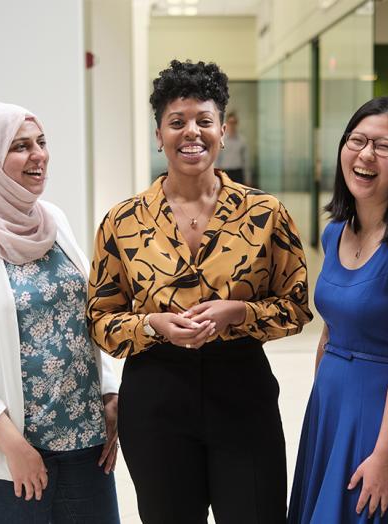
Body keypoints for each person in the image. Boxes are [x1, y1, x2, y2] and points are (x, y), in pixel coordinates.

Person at [87, 59, 312, 523]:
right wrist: (152, 325)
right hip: (156, 395)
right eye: (177, 122)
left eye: (204, 121)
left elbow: (295, 307)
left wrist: (239, 314)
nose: (192, 132)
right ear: (158, 134)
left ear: (223, 130)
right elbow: (100, 319)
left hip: (242, 390)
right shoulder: (123, 221)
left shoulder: (265, 214)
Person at [0, 102, 121, 523]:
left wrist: (109, 394)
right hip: (9, 452)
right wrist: (14, 447)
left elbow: (83, 318)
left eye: (41, 143)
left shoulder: (52, 221)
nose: (38, 155)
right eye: (20, 146)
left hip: (85, 440)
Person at [288, 97, 388, 523]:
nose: (365, 155)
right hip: (330, 409)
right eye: (356, 140)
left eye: (383, 146)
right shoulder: (335, 232)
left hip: (380, 416)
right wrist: (321, 400)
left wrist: (385, 454)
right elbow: (330, 329)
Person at [215, 111, 251, 185]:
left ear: (237, 123)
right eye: (230, 122)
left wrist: (248, 178)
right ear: (227, 124)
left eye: (234, 122)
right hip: (225, 173)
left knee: (239, 196)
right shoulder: (222, 140)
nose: (232, 125)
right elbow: (217, 159)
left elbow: (246, 162)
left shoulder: (242, 140)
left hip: (238, 173)